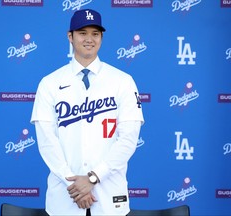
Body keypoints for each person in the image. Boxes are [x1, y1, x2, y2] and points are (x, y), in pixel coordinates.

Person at [31, 8, 144, 216]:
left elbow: (128, 139)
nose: (89, 39)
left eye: (95, 33)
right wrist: (75, 185)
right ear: (70, 36)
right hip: (65, 197)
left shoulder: (122, 81)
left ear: (102, 37)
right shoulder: (49, 83)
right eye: (82, 33)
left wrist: (93, 178)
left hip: (110, 197)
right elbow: (47, 142)